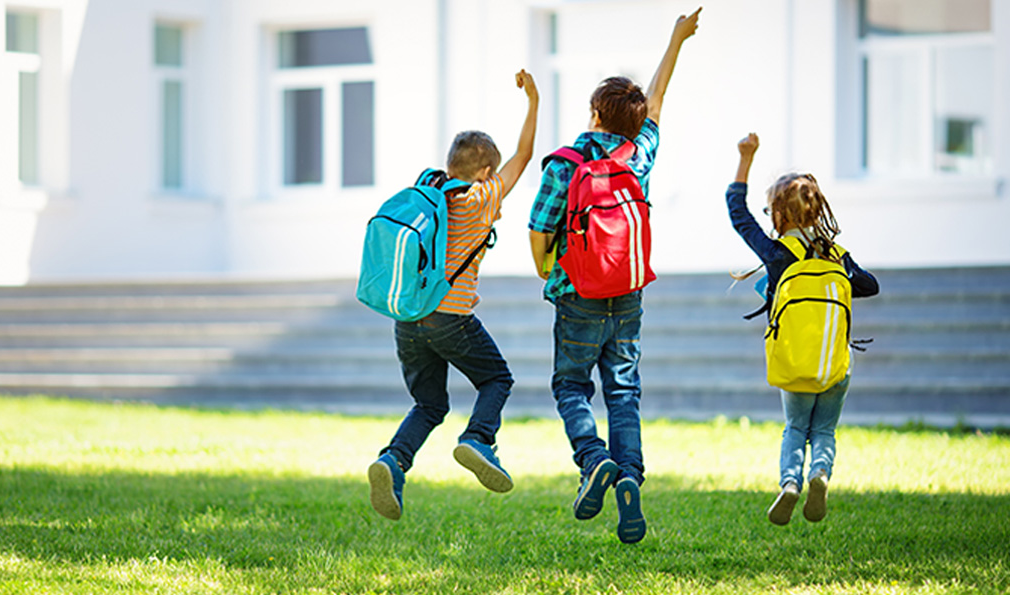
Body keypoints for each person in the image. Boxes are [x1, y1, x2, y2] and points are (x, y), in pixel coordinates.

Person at [527, 8, 701, 544]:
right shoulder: (638, 154)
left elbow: (539, 229)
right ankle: (629, 479)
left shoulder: (565, 162)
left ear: (594, 114)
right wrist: (677, 38)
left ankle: (593, 458)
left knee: (570, 385)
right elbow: (660, 98)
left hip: (575, 292)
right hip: (626, 293)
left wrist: (548, 272)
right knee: (623, 392)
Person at [368, 70, 539, 521]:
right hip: (452, 317)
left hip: (408, 317)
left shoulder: (429, 192)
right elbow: (524, 154)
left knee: (428, 404)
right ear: (484, 171)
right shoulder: (482, 198)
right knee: (497, 380)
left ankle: (393, 461)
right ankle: (478, 439)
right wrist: (533, 101)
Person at [728, 132, 879, 525]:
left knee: (795, 427)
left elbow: (736, 213)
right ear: (817, 212)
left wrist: (746, 158)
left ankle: (791, 483)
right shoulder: (837, 254)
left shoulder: (778, 254)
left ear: (779, 215)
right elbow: (869, 286)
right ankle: (820, 474)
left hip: (795, 364)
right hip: (835, 365)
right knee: (824, 431)